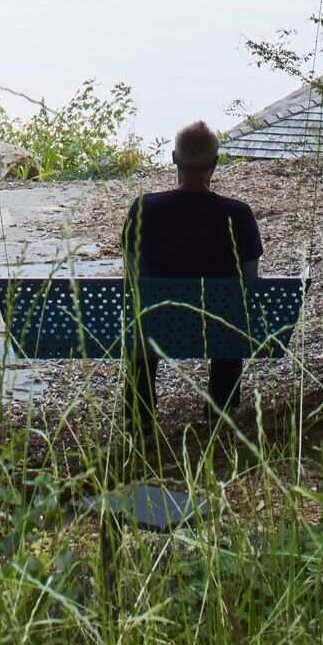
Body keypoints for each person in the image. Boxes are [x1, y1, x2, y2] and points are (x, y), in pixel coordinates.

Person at [120, 119, 261, 435]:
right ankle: (221, 410)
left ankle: (140, 416)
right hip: (217, 329)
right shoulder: (239, 214)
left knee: (142, 317)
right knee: (232, 315)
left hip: (156, 327)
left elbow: (131, 277)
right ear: (215, 162)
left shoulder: (144, 208)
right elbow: (249, 285)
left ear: (174, 158)